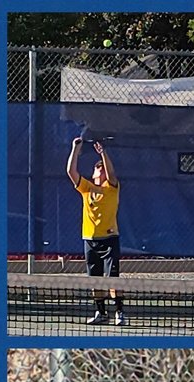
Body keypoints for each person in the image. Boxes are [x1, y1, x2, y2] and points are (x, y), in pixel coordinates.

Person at [66, 137, 126, 327]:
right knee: (95, 281)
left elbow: (112, 172)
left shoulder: (112, 188)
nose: (100, 169)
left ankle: (120, 313)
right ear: (93, 174)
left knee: (112, 279)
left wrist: (102, 152)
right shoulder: (86, 188)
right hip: (90, 240)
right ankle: (100, 312)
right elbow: (70, 171)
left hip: (110, 240)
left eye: (102, 168)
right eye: (98, 168)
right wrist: (75, 148)